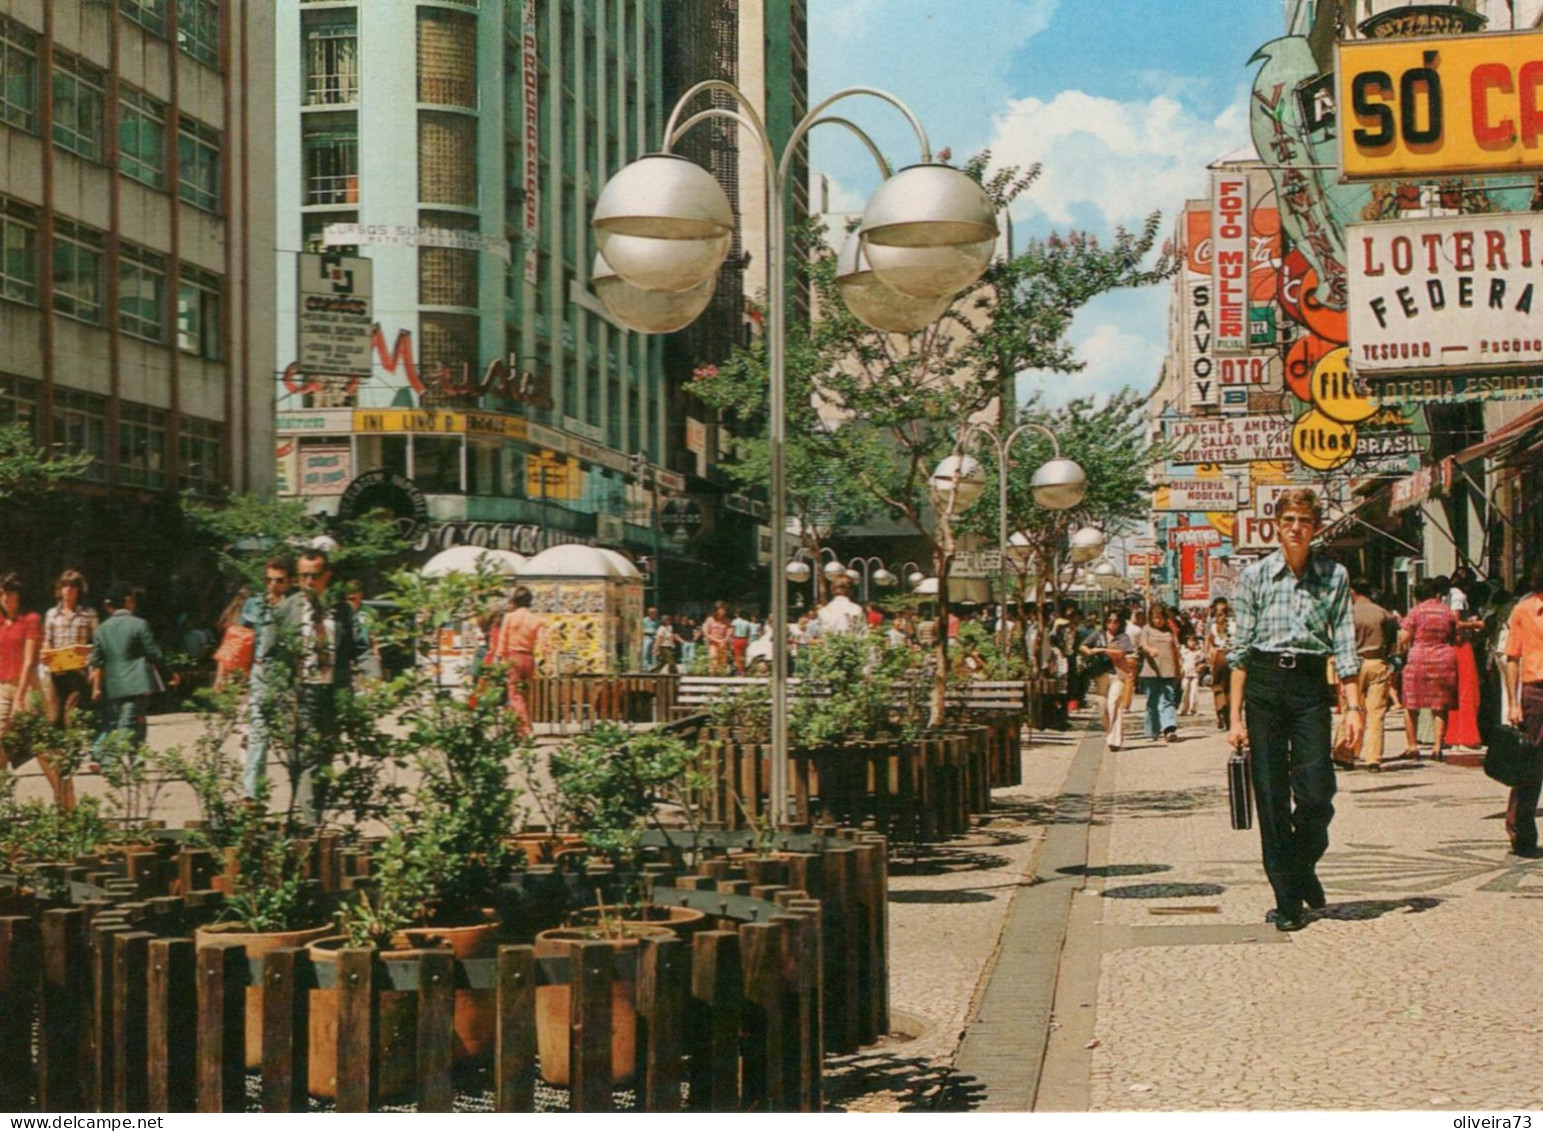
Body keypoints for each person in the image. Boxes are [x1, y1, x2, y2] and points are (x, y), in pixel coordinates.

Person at [1228, 488, 1362, 933]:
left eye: (1304, 520)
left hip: (1308, 685)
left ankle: (1301, 866)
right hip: (1265, 684)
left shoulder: (1334, 575)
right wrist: (1234, 719)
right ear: (1277, 525)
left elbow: (1344, 642)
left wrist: (1353, 706)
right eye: (1288, 520)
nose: (1296, 528)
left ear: (1315, 526)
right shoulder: (1255, 576)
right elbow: (1240, 651)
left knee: (1316, 791)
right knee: (1270, 794)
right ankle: (1287, 899)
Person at [275, 550, 364, 824]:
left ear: (327, 576)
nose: (308, 582)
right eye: (303, 576)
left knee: (324, 756)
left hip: (331, 692)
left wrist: (372, 679)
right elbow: (268, 654)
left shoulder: (341, 610)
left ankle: (315, 812)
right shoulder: (285, 609)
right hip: (298, 692)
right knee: (304, 756)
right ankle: (310, 819)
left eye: (314, 576)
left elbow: (360, 648)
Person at [89, 582, 171, 773]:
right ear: (128, 601)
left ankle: (137, 760)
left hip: (113, 685)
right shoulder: (139, 624)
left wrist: (97, 687)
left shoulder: (101, 629)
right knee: (128, 724)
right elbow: (154, 653)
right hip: (137, 684)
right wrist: (168, 674)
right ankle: (109, 761)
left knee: (135, 720)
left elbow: (97, 661)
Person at [234, 557, 294, 801]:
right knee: (258, 731)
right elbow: (241, 637)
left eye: (279, 581)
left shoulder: (295, 606)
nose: (273, 585)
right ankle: (251, 793)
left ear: (289, 582)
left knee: (293, 735)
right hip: (261, 673)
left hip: (288, 674)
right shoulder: (255, 604)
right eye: (269, 580)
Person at [1333, 578, 1397, 773]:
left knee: (1351, 710)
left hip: (1354, 664)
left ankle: (1345, 753)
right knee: (1376, 713)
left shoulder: (1347, 614)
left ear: (1352, 592)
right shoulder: (1382, 613)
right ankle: (1373, 759)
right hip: (1378, 663)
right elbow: (1394, 641)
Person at [1502, 560, 1543, 857]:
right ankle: (1520, 828)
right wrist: (1513, 702)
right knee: (1531, 764)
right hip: (1535, 693)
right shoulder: (1524, 610)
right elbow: (1512, 658)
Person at [1399, 577, 1460, 761]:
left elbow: (1403, 638)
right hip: (1443, 659)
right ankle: (1437, 747)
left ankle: (1413, 747)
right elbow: (1456, 636)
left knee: (1411, 704)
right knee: (1439, 706)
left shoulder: (1415, 612)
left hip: (1418, 659)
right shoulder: (1447, 612)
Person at [41, 569, 98, 729]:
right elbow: (47, 641)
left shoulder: (88, 614)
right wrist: (45, 654)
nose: (68, 590)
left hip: (77, 672)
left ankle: (71, 752)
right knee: (53, 718)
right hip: (56, 672)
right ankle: (58, 753)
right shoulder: (51, 614)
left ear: (78, 590)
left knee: (72, 717)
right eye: (65, 586)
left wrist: (86, 649)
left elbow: (99, 644)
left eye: (72, 587)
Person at [492, 585, 549, 738]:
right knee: (524, 695)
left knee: (515, 695)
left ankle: (526, 730)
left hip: (513, 657)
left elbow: (503, 640)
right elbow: (543, 644)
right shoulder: (537, 620)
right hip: (529, 658)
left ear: (515, 600)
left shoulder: (509, 618)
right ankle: (521, 729)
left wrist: (499, 658)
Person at [1086, 610, 1137, 750]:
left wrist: (1101, 650)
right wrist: (1088, 651)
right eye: (1109, 621)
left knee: (1113, 702)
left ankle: (1115, 739)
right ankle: (1111, 733)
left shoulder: (1123, 637)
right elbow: (1084, 646)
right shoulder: (1098, 635)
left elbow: (1120, 654)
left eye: (1115, 621)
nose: (1112, 624)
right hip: (1101, 673)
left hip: (1118, 674)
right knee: (1102, 707)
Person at [1135, 603, 1182, 742]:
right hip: (1151, 671)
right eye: (1155, 618)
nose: (1158, 621)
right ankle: (1152, 731)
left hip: (1168, 670)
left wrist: (1179, 668)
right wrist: (1150, 650)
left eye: (1160, 617)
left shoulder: (1169, 631)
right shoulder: (1146, 629)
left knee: (1168, 699)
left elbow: (1176, 649)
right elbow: (1142, 645)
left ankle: (1169, 729)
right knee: (1152, 701)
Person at [1208, 597, 1234, 731]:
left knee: (1218, 687)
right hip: (1232, 656)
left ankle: (1220, 713)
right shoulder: (1234, 625)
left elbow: (1211, 645)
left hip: (1219, 656)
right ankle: (1230, 716)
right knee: (1231, 688)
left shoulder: (1213, 627)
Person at [1179, 632, 1205, 716]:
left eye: (1194, 641)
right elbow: (1180, 660)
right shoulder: (1184, 651)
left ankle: (1193, 709)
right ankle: (1183, 708)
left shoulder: (1198, 652)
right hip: (1185, 673)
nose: (1192, 643)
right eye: (1190, 641)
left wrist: (1200, 667)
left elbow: (1203, 662)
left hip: (1194, 673)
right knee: (1185, 691)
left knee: (1194, 691)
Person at [703, 603, 733, 674]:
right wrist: (717, 640)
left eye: (725, 610)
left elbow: (730, 630)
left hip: (723, 643)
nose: (724, 611)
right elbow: (706, 633)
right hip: (713, 644)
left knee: (723, 662)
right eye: (722, 609)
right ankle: (712, 677)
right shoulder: (709, 620)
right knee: (713, 660)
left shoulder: (727, 620)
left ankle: (721, 678)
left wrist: (726, 639)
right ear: (716, 610)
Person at [730, 608, 752, 674]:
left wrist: (732, 640)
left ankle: (739, 670)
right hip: (744, 639)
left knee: (737, 655)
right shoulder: (747, 622)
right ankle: (743, 670)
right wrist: (748, 640)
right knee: (743, 655)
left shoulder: (735, 621)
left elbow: (733, 631)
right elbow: (748, 632)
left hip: (737, 639)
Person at [641, 606, 659, 672]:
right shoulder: (644, 620)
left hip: (654, 637)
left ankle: (653, 666)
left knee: (654, 652)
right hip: (647, 637)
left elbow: (658, 629)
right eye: (653, 613)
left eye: (655, 613)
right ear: (649, 613)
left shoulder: (657, 621)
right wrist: (646, 631)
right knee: (645, 651)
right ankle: (645, 666)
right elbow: (641, 629)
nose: (654, 614)